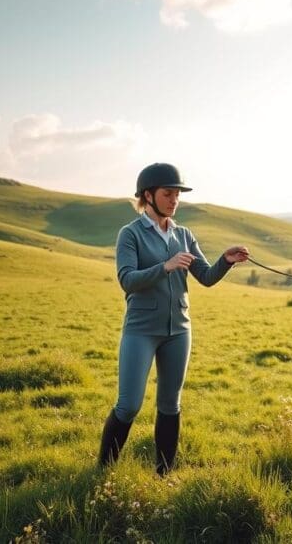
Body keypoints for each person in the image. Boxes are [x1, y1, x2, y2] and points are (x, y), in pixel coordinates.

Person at [98, 162, 249, 474]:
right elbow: (127, 279)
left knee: (170, 404)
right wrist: (164, 266)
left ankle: (163, 475)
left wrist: (226, 260)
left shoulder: (184, 234)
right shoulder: (130, 234)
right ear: (148, 195)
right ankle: (102, 472)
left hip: (179, 330)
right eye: (168, 193)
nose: (174, 200)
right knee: (129, 405)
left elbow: (205, 277)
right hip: (141, 330)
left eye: (177, 194)